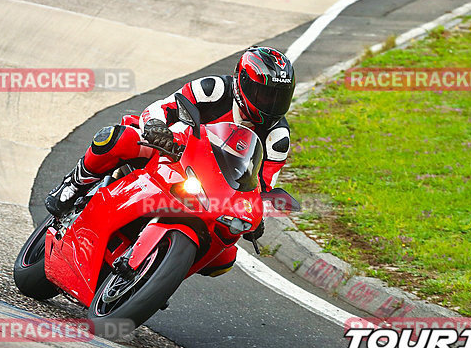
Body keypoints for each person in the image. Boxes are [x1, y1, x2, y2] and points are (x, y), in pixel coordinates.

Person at [44, 46, 295, 275]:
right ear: (242, 82)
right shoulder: (214, 89)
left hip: (214, 191)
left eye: (278, 97)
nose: (270, 104)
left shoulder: (278, 138)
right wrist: (156, 126)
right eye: (263, 95)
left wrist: (258, 212)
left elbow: (261, 184)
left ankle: (159, 274)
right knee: (117, 139)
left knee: (225, 259)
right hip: (169, 151)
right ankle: (73, 185)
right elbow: (163, 107)